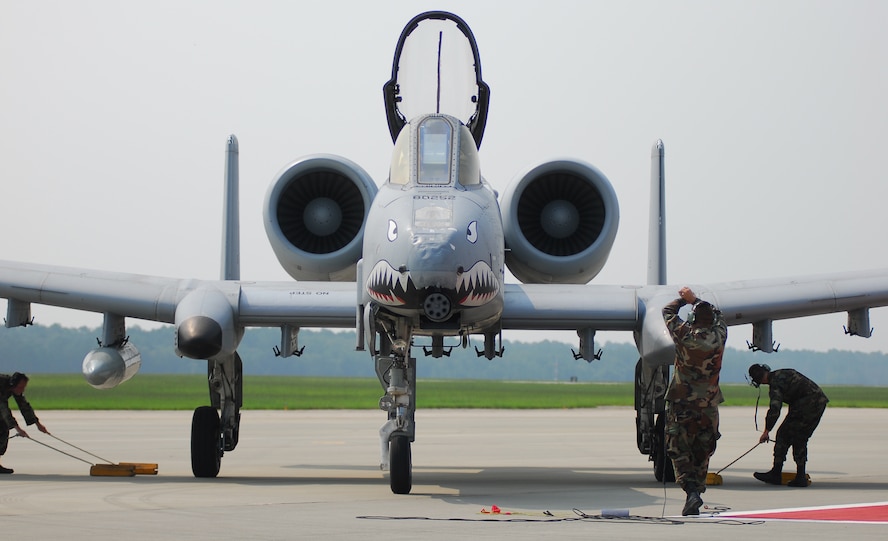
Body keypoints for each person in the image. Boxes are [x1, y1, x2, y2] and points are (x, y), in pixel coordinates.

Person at [662, 286, 727, 516]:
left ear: (692, 319)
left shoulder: (685, 334)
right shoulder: (719, 337)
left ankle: (691, 492)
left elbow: (667, 312)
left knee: (678, 449)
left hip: (683, 405)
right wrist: (696, 300)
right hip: (708, 407)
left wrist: (683, 300)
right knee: (703, 450)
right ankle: (697, 491)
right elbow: (719, 316)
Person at [748, 364, 828, 487]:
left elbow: (775, 409)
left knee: (784, 435)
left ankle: (777, 473)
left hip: (808, 405)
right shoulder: (781, 373)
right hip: (816, 402)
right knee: (799, 438)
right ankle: (798, 475)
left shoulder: (775, 384)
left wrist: (766, 431)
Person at [1, 372, 50, 474]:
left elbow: (24, 406)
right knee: (3, 425)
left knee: (3, 429)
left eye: (24, 387)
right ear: (13, 385)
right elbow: (4, 410)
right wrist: (18, 429)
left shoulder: (13, 387)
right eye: (20, 387)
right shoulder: (1, 386)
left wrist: (38, 425)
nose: (22, 390)